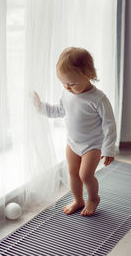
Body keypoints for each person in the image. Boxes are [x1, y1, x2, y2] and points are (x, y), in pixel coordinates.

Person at [33, 47, 116, 216]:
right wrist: (41, 107)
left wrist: (108, 149)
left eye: (71, 83)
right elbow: (58, 110)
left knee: (85, 175)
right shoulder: (67, 93)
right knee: (72, 173)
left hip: (92, 146)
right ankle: (78, 200)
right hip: (72, 143)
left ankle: (93, 198)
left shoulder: (98, 99)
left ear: (88, 74)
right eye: (63, 83)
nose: (67, 87)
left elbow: (109, 125)